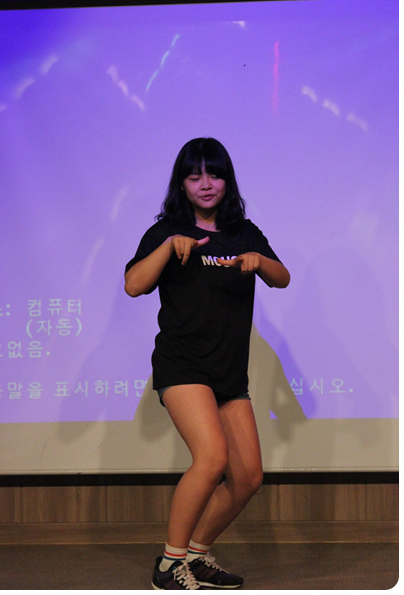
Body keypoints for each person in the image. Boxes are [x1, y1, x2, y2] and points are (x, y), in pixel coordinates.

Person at [125, 137, 290, 590]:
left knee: (248, 478)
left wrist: (259, 261)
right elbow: (134, 285)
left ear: (227, 181)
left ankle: (196, 555)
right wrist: (169, 247)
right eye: (195, 175)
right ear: (181, 183)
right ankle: (168, 565)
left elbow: (282, 278)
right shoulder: (166, 231)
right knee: (212, 457)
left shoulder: (243, 231)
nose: (205, 183)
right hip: (183, 365)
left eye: (214, 174)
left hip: (228, 373)